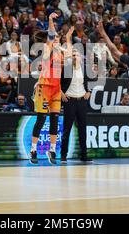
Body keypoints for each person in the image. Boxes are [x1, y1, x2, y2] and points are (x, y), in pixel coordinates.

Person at [29, 13, 72, 165]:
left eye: (58, 39)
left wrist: (69, 37)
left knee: (55, 120)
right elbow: (52, 33)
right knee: (41, 119)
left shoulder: (61, 53)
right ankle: (33, 150)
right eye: (54, 38)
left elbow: (71, 53)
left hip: (56, 88)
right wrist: (50, 19)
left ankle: (52, 149)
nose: (56, 40)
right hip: (44, 87)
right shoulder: (48, 48)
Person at [60, 47, 92, 164]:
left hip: (82, 101)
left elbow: (90, 82)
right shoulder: (67, 68)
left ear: (80, 57)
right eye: (73, 55)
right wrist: (61, 93)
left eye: (76, 55)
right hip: (70, 101)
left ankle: (84, 155)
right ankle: (63, 155)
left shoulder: (84, 69)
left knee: (83, 129)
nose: (74, 57)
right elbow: (57, 82)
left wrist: (89, 91)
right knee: (67, 129)